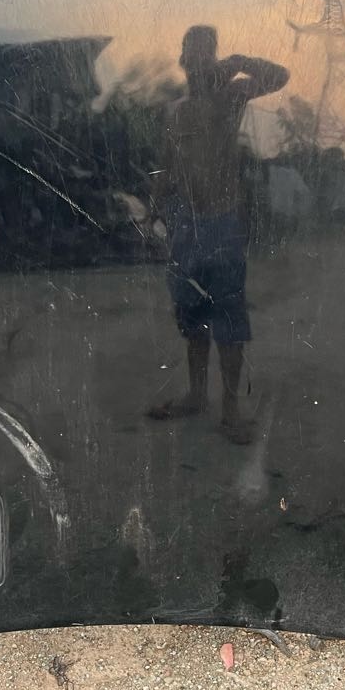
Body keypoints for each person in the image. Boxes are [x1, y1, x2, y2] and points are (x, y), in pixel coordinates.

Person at [148, 26, 289, 444]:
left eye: (204, 54)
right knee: (191, 316)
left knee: (228, 318)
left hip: (222, 224)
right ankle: (196, 395)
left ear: (214, 60)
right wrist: (153, 212)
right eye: (191, 54)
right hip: (185, 225)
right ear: (183, 61)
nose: (196, 61)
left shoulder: (231, 98)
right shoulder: (177, 111)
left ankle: (230, 409)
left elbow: (280, 76)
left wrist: (241, 61)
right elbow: (167, 166)